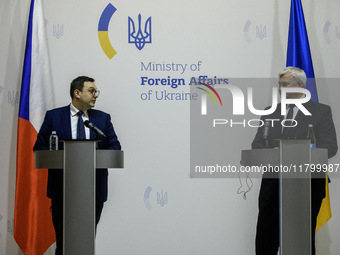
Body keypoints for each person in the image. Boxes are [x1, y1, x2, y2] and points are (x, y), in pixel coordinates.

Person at [252, 67, 337, 255]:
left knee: (301, 242)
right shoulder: (270, 112)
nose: (280, 89)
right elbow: (257, 145)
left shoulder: (321, 111)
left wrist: (298, 153)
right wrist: (274, 151)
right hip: (273, 188)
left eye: (285, 85)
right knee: (266, 240)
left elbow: (330, 147)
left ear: (299, 86)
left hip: (306, 188)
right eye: (279, 85)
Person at [33, 76, 121, 255]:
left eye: (96, 91)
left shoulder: (103, 119)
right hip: (62, 190)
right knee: (64, 243)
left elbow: (115, 147)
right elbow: (39, 147)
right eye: (91, 90)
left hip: (93, 191)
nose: (96, 95)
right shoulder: (54, 116)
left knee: (86, 240)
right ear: (77, 93)